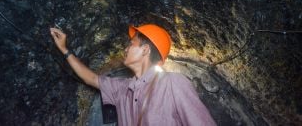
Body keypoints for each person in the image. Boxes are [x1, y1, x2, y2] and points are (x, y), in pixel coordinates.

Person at [50, 24, 216, 126]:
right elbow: (91, 78)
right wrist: (64, 49)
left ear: (145, 50)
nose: (126, 49)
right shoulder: (122, 88)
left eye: (131, 44)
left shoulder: (173, 84)